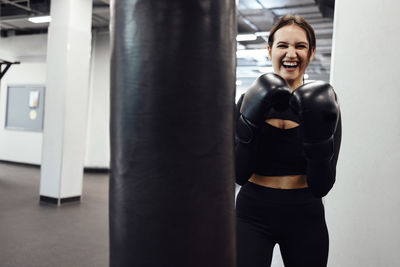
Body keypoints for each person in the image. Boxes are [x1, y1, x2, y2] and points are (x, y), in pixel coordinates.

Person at [235, 14, 342, 267]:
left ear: (311, 52)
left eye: (300, 46)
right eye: (283, 45)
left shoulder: (324, 103)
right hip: (252, 212)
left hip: (305, 213)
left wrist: (317, 142)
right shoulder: (247, 100)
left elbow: (322, 185)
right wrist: (250, 121)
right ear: (269, 49)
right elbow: (238, 174)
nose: (291, 53)